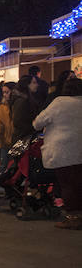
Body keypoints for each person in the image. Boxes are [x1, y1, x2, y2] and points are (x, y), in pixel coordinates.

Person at [33, 78, 82, 229]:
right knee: (78, 183)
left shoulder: (59, 102)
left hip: (62, 150)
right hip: (79, 149)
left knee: (67, 184)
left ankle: (72, 217)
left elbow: (38, 123)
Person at [0, 81, 16, 173]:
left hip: (16, 141)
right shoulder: (2, 107)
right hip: (5, 141)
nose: (5, 95)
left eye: (7, 92)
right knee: (4, 165)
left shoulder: (18, 106)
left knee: (14, 166)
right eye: (3, 93)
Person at [10, 75, 37, 140]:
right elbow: (17, 122)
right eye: (34, 82)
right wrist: (33, 127)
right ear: (27, 85)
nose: (37, 85)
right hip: (22, 138)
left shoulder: (26, 99)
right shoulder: (22, 101)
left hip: (24, 136)